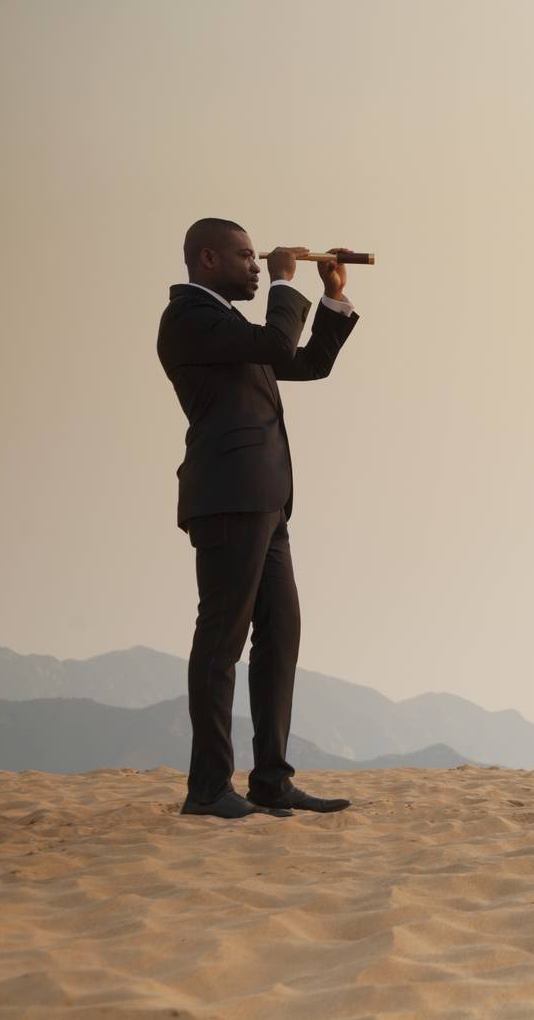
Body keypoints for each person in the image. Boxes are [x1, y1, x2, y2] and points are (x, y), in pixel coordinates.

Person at [156, 217, 360, 818]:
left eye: (258, 258)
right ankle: (209, 788)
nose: (255, 263)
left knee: (280, 637)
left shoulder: (230, 328)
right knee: (221, 642)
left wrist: (331, 295)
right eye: (246, 257)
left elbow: (306, 362)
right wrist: (281, 283)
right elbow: (275, 345)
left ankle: (271, 781)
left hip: (268, 502)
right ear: (208, 259)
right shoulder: (189, 320)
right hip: (228, 499)